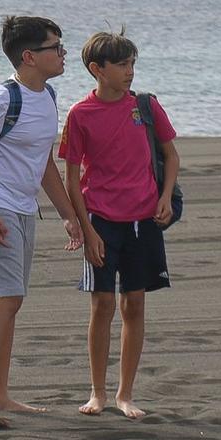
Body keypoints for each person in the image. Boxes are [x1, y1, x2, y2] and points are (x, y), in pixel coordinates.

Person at [0, 15, 84, 428]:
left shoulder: (49, 95)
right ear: (29, 56)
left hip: (22, 206)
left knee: (10, 300)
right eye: (54, 48)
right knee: (5, 297)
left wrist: (68, 215)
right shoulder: (1, 99)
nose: (62, 54)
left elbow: (42, 163)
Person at [60, 29, 178, 420]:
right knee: (102, 304)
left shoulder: (145, 106)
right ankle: (97, 393)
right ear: (97, 69)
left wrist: (165, 197)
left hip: (144, 219)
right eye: (122, 64)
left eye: (132, 64)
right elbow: (71, 178)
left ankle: (125, 393)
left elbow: (170, 155)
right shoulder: (80, 114)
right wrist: (86, 229)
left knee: (135, 302)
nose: (130, 71)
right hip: (101, 220)